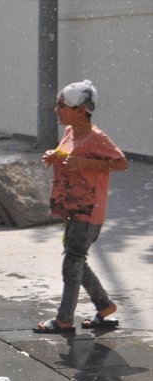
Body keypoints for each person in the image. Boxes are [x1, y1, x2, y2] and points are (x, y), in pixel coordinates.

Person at [34, 80, 128, 333]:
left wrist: (87, 163)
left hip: (89, 209)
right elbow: (69, 157)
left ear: (80, 109)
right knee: (75, 260)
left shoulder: (97, 137)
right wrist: (54, 156)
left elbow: (121, 163)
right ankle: (104, 305)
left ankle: (64, 319)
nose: (57, 110)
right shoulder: (70, 132)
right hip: (72, 208)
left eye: (61, 105)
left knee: (72, 263)